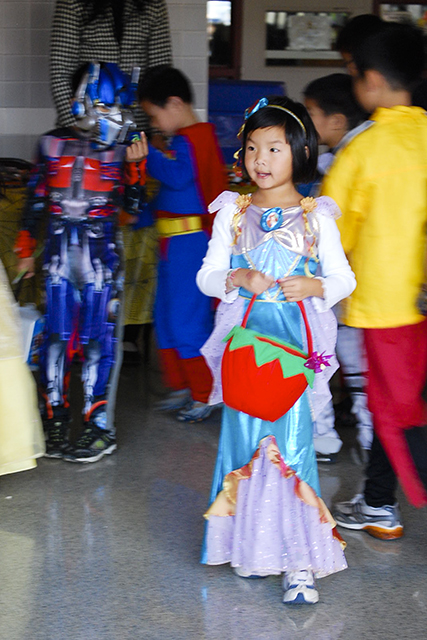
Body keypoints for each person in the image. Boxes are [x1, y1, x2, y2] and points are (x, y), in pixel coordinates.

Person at [196, 96, 356, 604]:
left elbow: (344, 279)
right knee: (243, 441)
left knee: (291, 445)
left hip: (292, 351)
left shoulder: (316, 216)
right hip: (245, 346)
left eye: (274, 148)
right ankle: (248, 547)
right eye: (251, 148)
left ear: (301, 152)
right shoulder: (232, 210)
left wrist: (316, 286)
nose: (260, 160)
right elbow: (206, 276)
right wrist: (234, 277)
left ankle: (298, 562)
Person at [321, 22, 427, 538]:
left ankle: (382, 503)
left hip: (389, 305)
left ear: (374, 81)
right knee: (399, 407)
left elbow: (331, 230)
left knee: (395, 412)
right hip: (420, 299)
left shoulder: (364, 149)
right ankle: (379, 500)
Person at [14, 62, 148, 463]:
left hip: (101, 263)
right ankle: (54, 420)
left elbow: (132, 211)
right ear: (82, 101)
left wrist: (136, 171)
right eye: (108, 106)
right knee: (54, 340)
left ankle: (98, 427)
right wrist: (25, 248)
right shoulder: (51, 144)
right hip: (58, 260)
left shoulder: (124, 148)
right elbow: (35, 199)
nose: (117, 116)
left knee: (98, 343)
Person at [138, 66, 227, 422]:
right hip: (173, 247)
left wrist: (146, 153)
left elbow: (176, 178)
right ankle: (183, 386)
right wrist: (137, 214)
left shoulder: (195, 138)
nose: (155, 124)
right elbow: (169, 196)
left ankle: (205, 393)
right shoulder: (181, 141)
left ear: (175, 104)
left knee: (186, 321)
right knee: (165, 318)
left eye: (154, 115)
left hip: (191, 247)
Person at [303, 73, 373, 463]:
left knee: (320, 359)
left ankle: (324, 435)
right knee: (356, 368)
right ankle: (367, 437)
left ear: (336, 120)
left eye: (311, 112)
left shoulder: (348, 160)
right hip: (356, 288)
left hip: (337, 284)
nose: (307, 121)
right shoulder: (348, 153)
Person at [50, 0, 172, 132]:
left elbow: (161, 73)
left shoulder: (153, 3)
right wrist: (75, 125)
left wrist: (158, 131)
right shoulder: (73, 2)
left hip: (138, 125)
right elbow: (60, 72)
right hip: (89, 124)